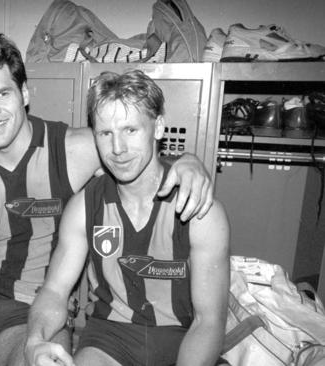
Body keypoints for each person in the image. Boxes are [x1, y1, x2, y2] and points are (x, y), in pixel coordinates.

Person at [0, 33, 214, 366]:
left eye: (2, 94)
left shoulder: (75, 148)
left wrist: (188, 162)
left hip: (38, 309)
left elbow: (135, 152)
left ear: (25, 93)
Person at [24, 70, 230, 366]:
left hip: (184, 339)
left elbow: (208, 322)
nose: (117, 149)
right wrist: (35, 341)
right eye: (105, 133)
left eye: (130, 130)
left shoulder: (201, 211)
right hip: (109, 340)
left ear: (158, 127)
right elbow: (55, 291)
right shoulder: (85, 207)